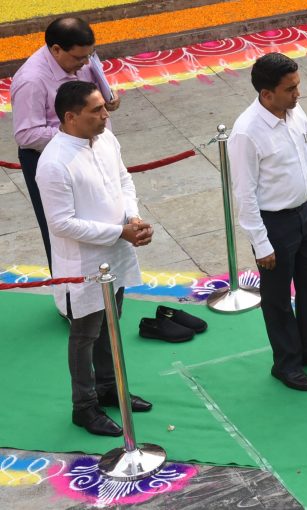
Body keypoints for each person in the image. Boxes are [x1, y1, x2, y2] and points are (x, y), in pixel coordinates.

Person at [36, 81, 150, 437]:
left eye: (103, 107)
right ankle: (83, 407)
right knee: (85, 333)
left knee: (112, 321)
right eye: (96, 110)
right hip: (84, 263)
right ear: (71, 117)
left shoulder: (106, 139)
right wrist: (120, 232)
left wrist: (131, 217)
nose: (105, 115)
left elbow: (123, 180)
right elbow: (61, 223)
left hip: (116, 249)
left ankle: (109, 387)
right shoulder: (54, 163)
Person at [228, 53, 307, 392]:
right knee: (278, 298)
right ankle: (287, 363)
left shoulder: (296, 113)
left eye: (298, 86)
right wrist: (260, 243)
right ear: (267, 94)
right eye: (291, 89)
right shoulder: (246, 133)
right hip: (273, 223)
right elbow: (245, 193)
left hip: (306, 213)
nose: (298, 94)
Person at [11, 17, 120, 273]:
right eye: (78, 58)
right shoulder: (31, 80)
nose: (84, 64)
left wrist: (105, 101)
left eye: (88, 56)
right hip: (53, 161)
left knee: (103, 217)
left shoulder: (82, 60)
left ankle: (106, 284)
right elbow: (27, 134)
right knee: (64, 233)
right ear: (56, 49)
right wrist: (73, 132)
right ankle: (71, 299)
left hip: (92, 149)